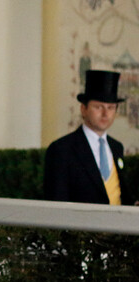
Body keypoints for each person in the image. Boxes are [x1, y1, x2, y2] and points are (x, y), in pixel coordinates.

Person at [44, 69, 132, 205]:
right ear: (83, 109)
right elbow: (56, 203)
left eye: (111, 108)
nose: (105, 114)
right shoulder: (61, 149)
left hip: (117, 225)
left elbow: (119, 194)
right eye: (98, 107)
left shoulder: (116, 147)